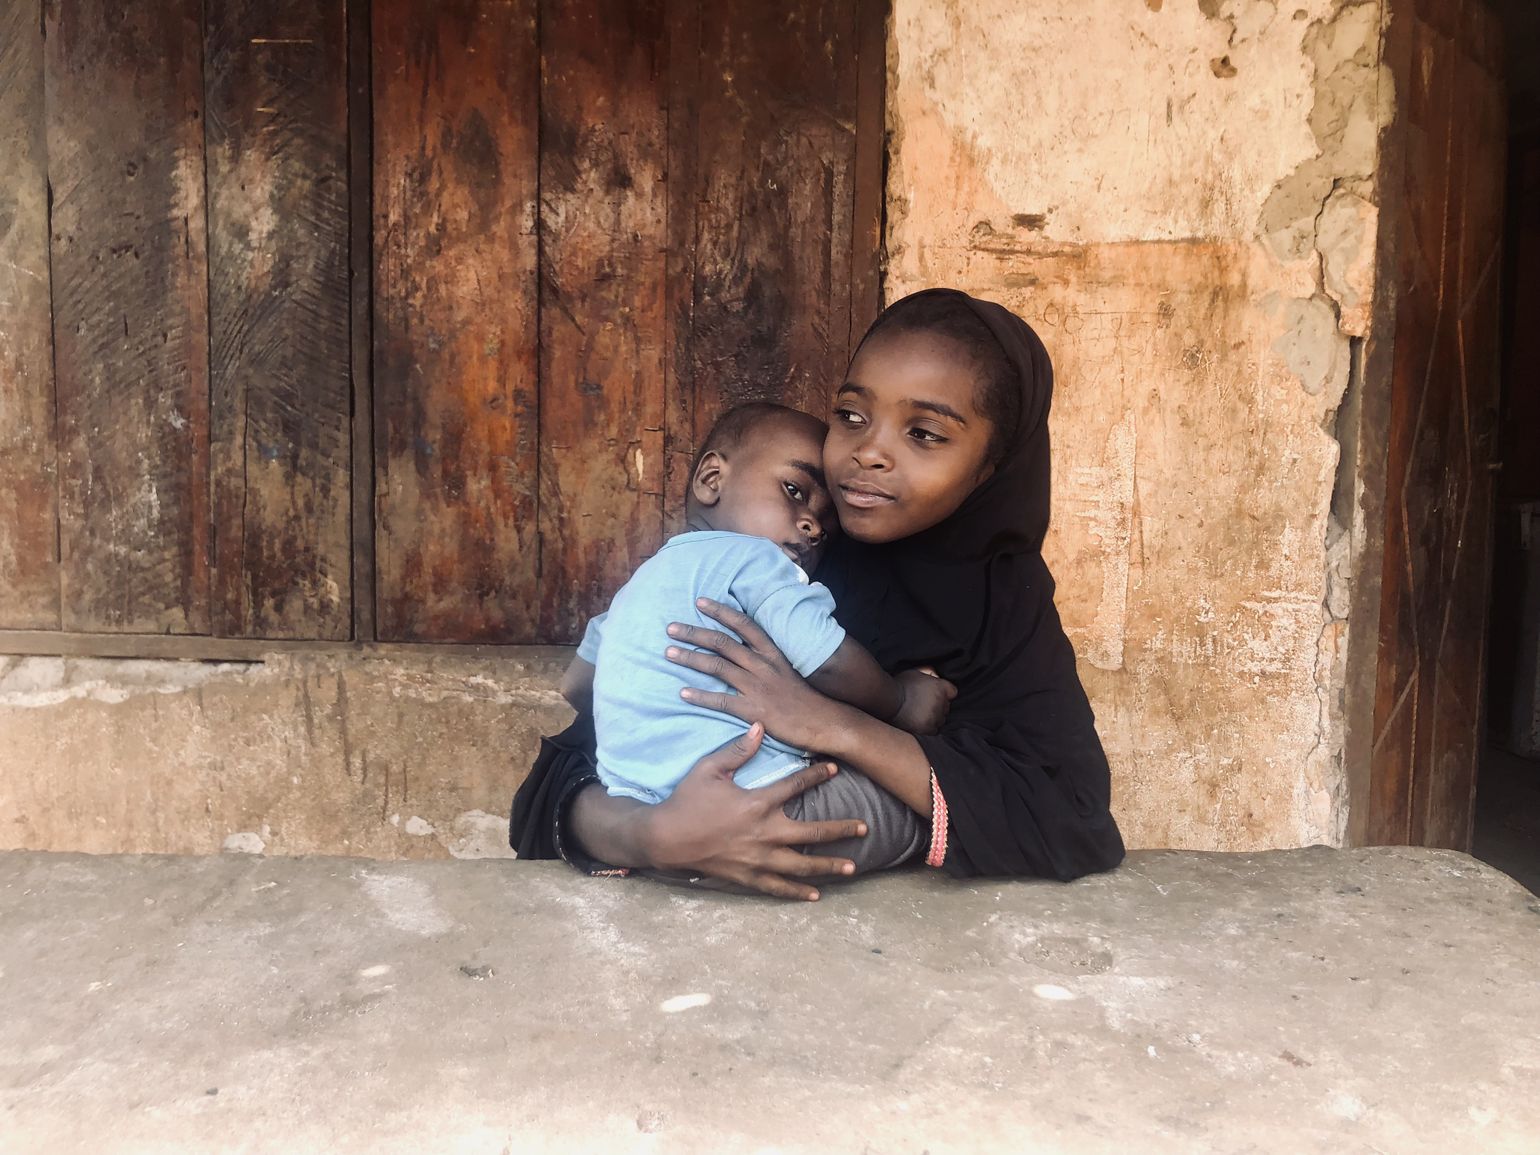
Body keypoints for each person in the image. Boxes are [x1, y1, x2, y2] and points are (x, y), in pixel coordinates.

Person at [511, 288, 1125, 899]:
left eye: (925, 433)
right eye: (852, 417)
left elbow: (1071, 818)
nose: (869, 453)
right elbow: (555, 786)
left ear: (990, 467)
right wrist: (652, 836)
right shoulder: (783, 561)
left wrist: (830, 723)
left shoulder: (1004, 606)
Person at [562, 402, 953, 849]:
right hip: (756, 798)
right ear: (713, 480)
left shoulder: (636, 586)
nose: (812, 526)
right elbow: (828, 662)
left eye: (826, 528)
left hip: (655, 809)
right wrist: (902, 701)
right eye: (794, 490)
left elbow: (577, 685)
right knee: (917, 810)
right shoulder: (754, 558)